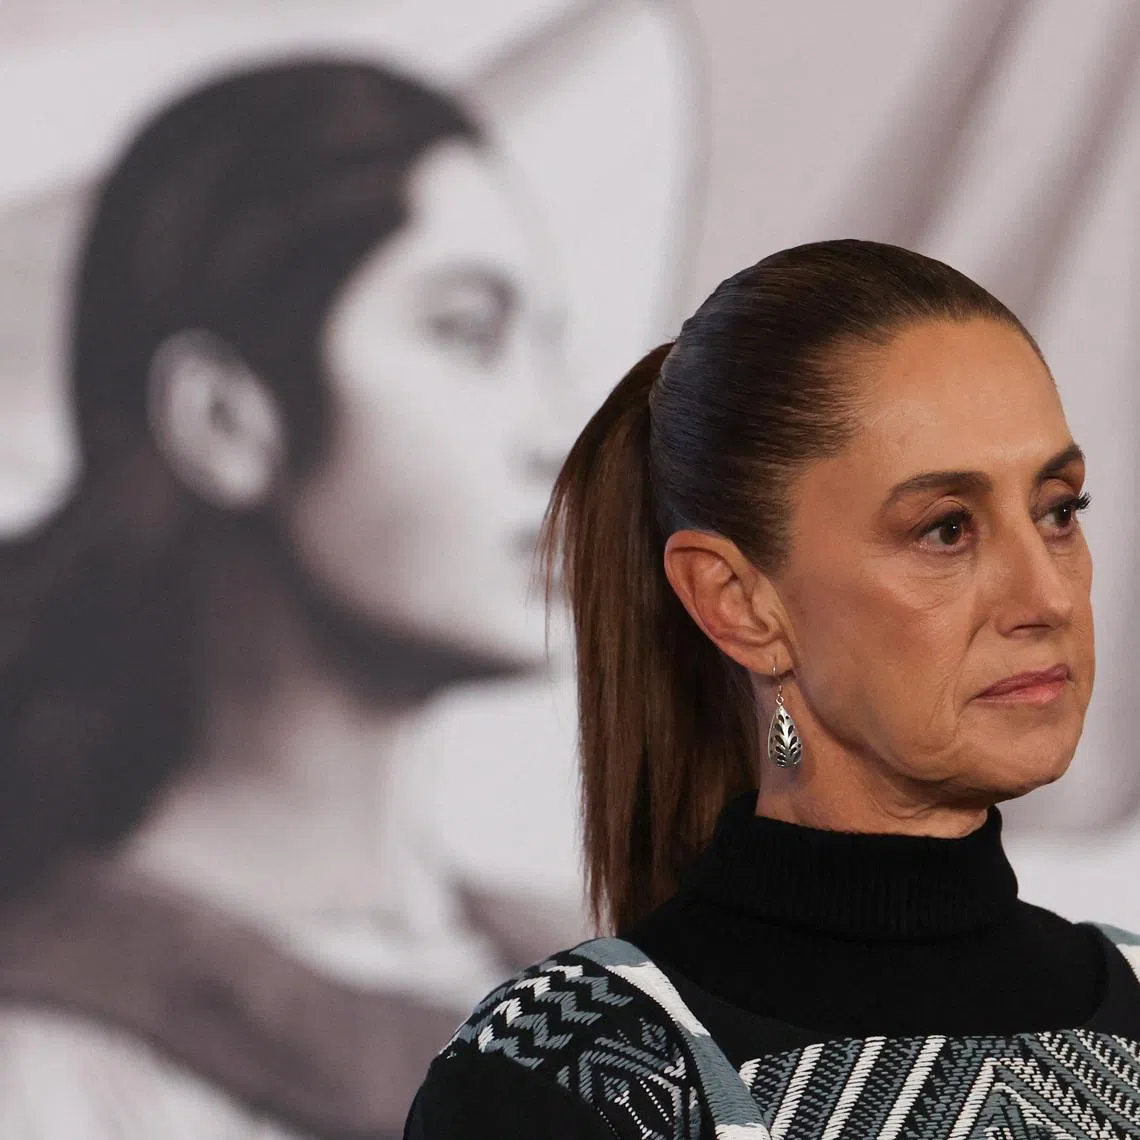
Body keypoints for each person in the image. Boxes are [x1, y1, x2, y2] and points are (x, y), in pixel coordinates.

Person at [404, 238, 1140, 1140]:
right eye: (947, 529)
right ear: (739, 602)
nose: (1048, 597)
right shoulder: (552, 1082)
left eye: (1058, 510)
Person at [0, 58, 567, 1139]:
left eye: (546, 349)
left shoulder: (593, 974)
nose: (559, 436)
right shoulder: (56, 1062)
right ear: (224, 419)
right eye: (468, 334)